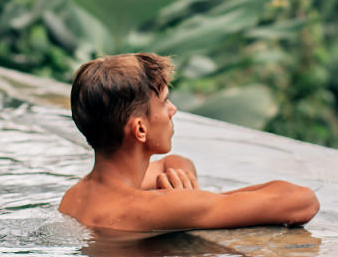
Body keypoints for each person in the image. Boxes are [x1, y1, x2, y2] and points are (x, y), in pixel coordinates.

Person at [58, 52, 320, 233]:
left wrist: (182, 185)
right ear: (140, 129)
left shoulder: (75, 196)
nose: (172, 110)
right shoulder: (150, 208)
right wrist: (188, 201)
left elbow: (173, 163)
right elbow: (302, 201)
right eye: (163, 103)